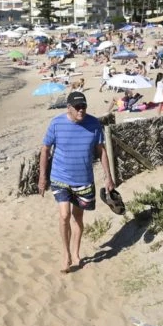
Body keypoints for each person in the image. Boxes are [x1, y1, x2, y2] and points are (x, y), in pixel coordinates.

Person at [37, 91, 114, 274]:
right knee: (64, 216)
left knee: (77, 218)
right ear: (69, 108)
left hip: (84, 180)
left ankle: (76, 252)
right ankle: (66, 255)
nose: (81, 110)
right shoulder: (56, 123)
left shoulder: (94, 124)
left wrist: (108, 176)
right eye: (77, 107)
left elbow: (102, 151)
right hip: (60, 178)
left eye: (84, 107)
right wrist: (42, 177)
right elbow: (45, 149)